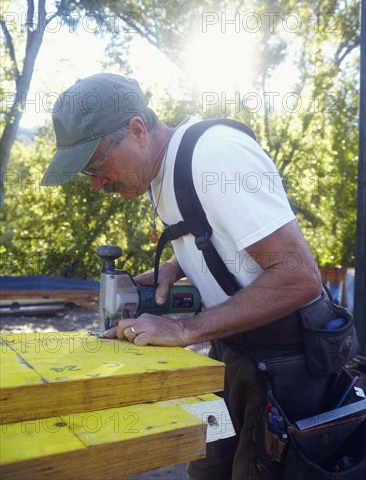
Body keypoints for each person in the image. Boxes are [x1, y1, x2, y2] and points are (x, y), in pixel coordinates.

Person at [41, 73, 344, 480]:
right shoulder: (160, 173)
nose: (96, 183)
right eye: (86, 174)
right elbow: (224, 230)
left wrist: (186, 330)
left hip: (285, 360)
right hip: (231, 350)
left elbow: (299, 278)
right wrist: (179, 263)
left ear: (137, 130)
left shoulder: (214, 157)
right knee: (205, 466)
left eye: (97, 164)